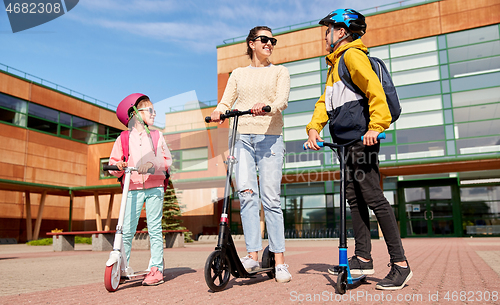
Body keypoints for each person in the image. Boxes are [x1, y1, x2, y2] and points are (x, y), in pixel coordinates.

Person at [303, 9, 412, 290]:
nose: (325, 35)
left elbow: (375, 91)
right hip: (345, 143)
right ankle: (363, 258)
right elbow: (323, 103)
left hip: (361, 141)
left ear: (341, 32)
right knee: (354, 198)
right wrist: (314, 127)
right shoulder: (334, 65)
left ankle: (400, 264)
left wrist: (376, 126)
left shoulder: (353, 56)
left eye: (328, 30)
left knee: (374, 198)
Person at [210, 26, 291, 283]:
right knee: (246, 195)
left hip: (270, 138)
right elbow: (226, 102)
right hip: (241, 137)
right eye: (264, 40)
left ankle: (279, 261)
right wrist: (218, 112)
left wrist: (267, 108)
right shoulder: (238, 74)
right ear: (251, 44)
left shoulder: (280, 71)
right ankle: (253, 256)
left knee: (271, 199)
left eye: (272, 40)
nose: (269, 44)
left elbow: (282, 101)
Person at [109, 93, 172, 286]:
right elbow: (113, 162)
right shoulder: (123, 138)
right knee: (126, 230)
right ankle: (121, 266)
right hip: (133, 186)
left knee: (154, 228)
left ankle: (156, 269)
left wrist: (151, 164)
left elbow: (166, 160)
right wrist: (118, 166)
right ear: (136, 114)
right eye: (150, 110)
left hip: (154, 187)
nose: (154, 114)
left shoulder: (156, 136)